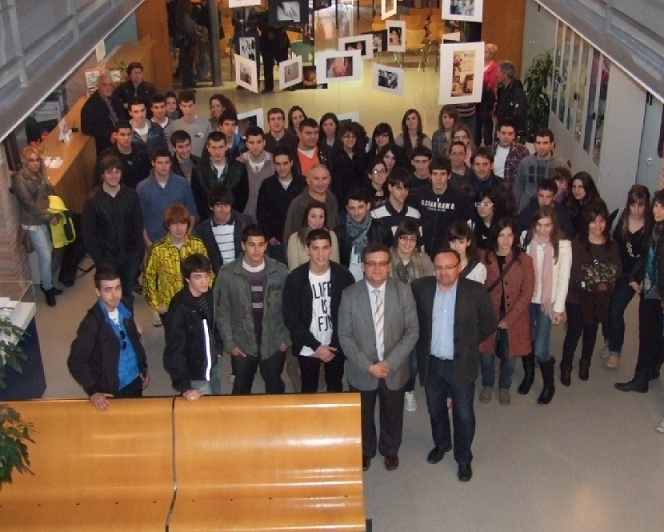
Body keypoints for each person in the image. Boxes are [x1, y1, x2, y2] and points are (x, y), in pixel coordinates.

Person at [411, 246, 497, 482]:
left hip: (461, 363)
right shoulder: (420, 289)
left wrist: (468, 344)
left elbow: (489, 324)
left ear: (459, 267)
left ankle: (463, 458)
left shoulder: (476, 291)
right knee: (435, 409)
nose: (444, 272)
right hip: (432, 364)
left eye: (449, 267)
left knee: (464, 414)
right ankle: (441, 445)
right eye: (439, 267)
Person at [338, 242, 419, 472]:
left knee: (392, 413)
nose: (377, 269)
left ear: (389, 266)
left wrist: (388, 363)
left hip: (394, 367)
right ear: (363, 266)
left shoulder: (403, 291)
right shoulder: (349, 295)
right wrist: (368, 366)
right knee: (362, 415)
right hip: (361, 369)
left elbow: (412, 331)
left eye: (382, 263)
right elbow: (344, 336)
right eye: (371, 264)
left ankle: (390, 450)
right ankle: (365, 450)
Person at [214, 224, 290, 395]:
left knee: (275, 386)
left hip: (274, 342)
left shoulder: (280, 272)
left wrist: (285, 340)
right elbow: (222, 312)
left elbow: (290, 309)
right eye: (251, 244)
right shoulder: (227, 274)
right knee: (241, 388)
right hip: (242, 343)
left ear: (266, 245)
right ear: (243, 245)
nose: (257, 250)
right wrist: (230, 344)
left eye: (261, 244)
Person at [283, 228, 356, 393]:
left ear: (331, 248)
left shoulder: (344, 276)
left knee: (335, 386)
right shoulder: (295, 279)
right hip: (308, 346)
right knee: (308, 389)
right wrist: (316, 346)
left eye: (325, 247)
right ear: (307, 250)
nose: (320, 254)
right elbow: (291, 318)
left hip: (336, 345)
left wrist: (335, 345)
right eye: (315, 248)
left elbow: (350, 314)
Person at [68, 266, 149, 411]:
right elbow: (75, 361)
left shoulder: (125, 305)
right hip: (112, 388)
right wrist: (93, 391)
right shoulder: (91, 323)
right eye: (108, 290)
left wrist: (143, 368)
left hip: (135, 379)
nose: (115, 295)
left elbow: (133, 340)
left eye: (118, 288)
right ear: (97, 292)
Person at [561, 201, 621, 385]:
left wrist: (595, 276)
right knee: (573, 331)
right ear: (586, 222)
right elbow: (578, 273)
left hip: (600, 298)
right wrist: (601, 276)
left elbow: (616, 270)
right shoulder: (576, 243)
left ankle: (585, 361)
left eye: (601, 221)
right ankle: (566, 364)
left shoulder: (611, 244)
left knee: (591, 331)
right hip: (576, 297)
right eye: (593, 221)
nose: (597, 226)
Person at [478, 218, 535, 406]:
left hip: (515, 317)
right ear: (495, 237)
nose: (505, 240)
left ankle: (504, 386)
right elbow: (478, 288)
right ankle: (487, 384)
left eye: (509, 235)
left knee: (509, 356)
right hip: (489, 314)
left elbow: (527, 293)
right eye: (501, 235)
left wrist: (509, 319)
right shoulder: (484, 257)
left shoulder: (524, 261)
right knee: (486, 354)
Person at [521, 205, 572, 404]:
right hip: (527, 299)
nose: (543, 230)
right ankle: (529, 375)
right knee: (527, 342)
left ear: (553, 225)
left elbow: (563, 279)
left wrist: (559, 308)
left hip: (546, 302)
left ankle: (549, 385)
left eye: (547, 225)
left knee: (541, 348)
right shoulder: (526, 238)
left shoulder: (563, 245)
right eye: (539, 225)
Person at [615, 189, 664, 395]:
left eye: (662, 207)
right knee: (649, 334)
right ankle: (649, 371)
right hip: (649, 290)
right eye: (656, 205)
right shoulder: (655, 228)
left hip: (659, 294)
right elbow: (645, 257)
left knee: (651, 335)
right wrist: (635, 277)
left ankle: (641, 379)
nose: (657, 210)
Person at [82, 154, 144, 309]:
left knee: (127, 294)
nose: (113, 175)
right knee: (109, 296)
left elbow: (138, 225)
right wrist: (99, 258)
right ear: (102, 174)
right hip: (106, 258)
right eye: (109, 172)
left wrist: (138, 252)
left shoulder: (130, 195)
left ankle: (128, 328)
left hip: (130, 255)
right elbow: (88, 234)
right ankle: (111, 329)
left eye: (117, 171)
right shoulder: (92, 200)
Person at [601, 185, 651, 369]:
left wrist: (634, 278)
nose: (636, 210)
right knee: (605, 309)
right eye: (633, 205)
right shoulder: (618, 216)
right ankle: (607, 339)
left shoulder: (651, 226)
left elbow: (647, 257)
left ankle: (615, 350)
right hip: (611, 271)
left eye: (641, 205)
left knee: (615, 311)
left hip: (630, 276)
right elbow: (603, 237)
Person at [389, 219, 434, 413]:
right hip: (390, 316)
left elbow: (431, 287)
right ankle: (393, 391)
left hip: (415, 316)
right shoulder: (387, 257)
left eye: (412, 239)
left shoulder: (423, 259)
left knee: (414, 361)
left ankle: (409, 390)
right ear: (397, 238)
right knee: (393, 356)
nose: (407, 243)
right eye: (404, 238)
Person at [163, 253, 220, 400]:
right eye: (198, 277)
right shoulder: (179, 307)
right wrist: (184, 387)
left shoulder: (208, 295)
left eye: (206, 275)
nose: (204, 281)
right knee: (205, 417)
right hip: (196, 374)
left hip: (213, 365)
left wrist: (218, 348)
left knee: (216, 404)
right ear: (187, 278)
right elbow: (174, 350)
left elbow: (214, 325)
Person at [144, 205, 209, 327]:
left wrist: (205, 296)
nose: (179, 228)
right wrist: (156, 305)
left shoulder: (197, 245)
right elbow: (149, 278)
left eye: (183, 223)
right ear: (168, 226)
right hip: (169, 306)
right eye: (174, 224)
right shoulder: (158, 249)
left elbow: (208, 272)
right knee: (175, 342)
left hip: (195, 303)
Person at [12, 146, 61, 306]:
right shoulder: (19, 179)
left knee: (47, 253)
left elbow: (47, 191)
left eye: (37, 160)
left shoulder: (38, 175)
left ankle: (48, 285)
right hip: (33, 223)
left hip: (42, 219)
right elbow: (29, 204)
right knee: (45, 256)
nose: (35, 163)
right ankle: (47, 287)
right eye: (31, 160)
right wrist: (49, 217)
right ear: (24, 161)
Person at [409, 155, 472, 258]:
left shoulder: (460, 199)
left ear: (449, 175)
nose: (438, 178)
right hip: (421, 253)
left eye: (442, 174)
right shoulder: (418, 196)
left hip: (449, 253)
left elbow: (465, 229)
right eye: (435, 174)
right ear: (429, 175)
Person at [136, 147, 198, 248]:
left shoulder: (182, 184)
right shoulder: (142, 188)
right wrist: (148, 243)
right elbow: (140, 220)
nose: (163, 166)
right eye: (160, 163)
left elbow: (191, 212)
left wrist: (187, 237)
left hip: (180, 241)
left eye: (166, 162)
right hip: (154, 242)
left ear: (171, 163)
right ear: (153, 163)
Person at [256, 147, 306, 264]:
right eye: (278, 164)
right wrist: (268, 235)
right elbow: (261, 212)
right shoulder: (267, 185)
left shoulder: (302, 183)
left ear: (291, 163)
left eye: (285, 163)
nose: (282, 168)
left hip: (299, 239)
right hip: (276, 241)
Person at [193, 183, 254, 274]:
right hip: (217, 280)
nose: (223, 210)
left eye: (226, 205)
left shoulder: (246, 222)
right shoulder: (201, 231)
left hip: (244, 276)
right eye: (218, 206)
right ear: (211, 207)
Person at [191, 131, 249, 219]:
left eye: (220, 147)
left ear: (226, 147)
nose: (217, 151)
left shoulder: (240, 168)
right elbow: (198, 200)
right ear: (208, 148)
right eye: (213, 147)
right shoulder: (198, 171)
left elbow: (243, 197)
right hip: (208, 221)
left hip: (234, 219)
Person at [336, 189, 391, 280]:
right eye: (352, 208)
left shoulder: (382, 229)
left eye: (360, 207)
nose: (356, 212)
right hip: (348, 283)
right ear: (347, 209)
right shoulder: (340, 233)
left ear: (368, 206)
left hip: (375, 280)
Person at [282, 164, 339, 247]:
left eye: (324, 178)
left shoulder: (332, 199)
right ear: (308, 181)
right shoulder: (297, 204)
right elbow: (289, 237)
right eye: (316, 179)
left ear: (329, 180)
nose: (321, 183)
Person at [514, 128, 569, 210]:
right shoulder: (525, 163)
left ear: (552, 144)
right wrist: (515, 208)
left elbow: (566, 190)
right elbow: (518, 186)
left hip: (551, 209)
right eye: (538, 143)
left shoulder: (561, 165)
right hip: (527, 208)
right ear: (534, 144)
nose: (541, 147)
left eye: (545, 143)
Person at [95, 120, 151, 189]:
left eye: (129, 134)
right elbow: (98, 181)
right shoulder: (106, 156)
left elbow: (149, 175)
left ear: (132, 135)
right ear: (115, 135)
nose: (126, 138)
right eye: (122, 134)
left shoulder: (141, 152)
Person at [287, 201, 340, 271]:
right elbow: (293, 270)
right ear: (306, 217)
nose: (317, 221)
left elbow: (336, 266)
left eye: (321, 217)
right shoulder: (295, 238)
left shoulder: (332, 235)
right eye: (313, 216)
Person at [81, 73, 125, 155]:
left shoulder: (114, 98)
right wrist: (108, 135)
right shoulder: (90, 106)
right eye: (105, 85)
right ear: (98, 86)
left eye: (110, 85)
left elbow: (122, 116)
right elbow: (86, 129)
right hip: (107, 143)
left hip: (122, 135)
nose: (108, 88)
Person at [371, 167, 421, 237]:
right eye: (399, 188)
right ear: (390, 187)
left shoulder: (415, 214)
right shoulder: (375, 215)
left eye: (406, 189)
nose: (403, 192)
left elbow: (419, 245)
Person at [238, 126, 274, 220]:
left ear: (264, 142)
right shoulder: (238, 164)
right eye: (251, 142)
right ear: (246, 144)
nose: (255, 146)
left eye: (259, 142)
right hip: (244, 219)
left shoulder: (274, 163)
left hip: (269, 219)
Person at [329, 121, 367, 210]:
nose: (350, 139)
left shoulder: (361, 155)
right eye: (347, 136)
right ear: (341, 138)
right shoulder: (334, 155)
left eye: (353, 136)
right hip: (342, 202)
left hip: (360, 200)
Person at [166, 89, 212, 158]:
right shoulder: (174, 126)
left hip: (201, 164)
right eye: (184, 106)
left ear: (194, 105)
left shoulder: (205, 124)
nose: (188, 110)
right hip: (180, 166)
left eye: (190, 106)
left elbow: (210, 147)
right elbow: (171, 149)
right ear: (180, 106)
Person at [487, 118, 529, 184]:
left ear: (514, 135)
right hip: (493, 187)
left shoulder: (521, 151)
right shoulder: (490, 149)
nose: (506, 136)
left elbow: (526, 174)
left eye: (510, 134)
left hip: (512, 189)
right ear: (498, 134)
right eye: (503, 133)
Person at [495, 60, 528, 139]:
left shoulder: (517, 91)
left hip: (512, 130)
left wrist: (507, 125)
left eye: (498, 72)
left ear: (505, 74)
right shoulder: (502, 88)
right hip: (501, 125)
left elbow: (517, 113)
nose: (496, 75)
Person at [564, 171, 602, 236]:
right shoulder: (572, 202)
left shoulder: (596, 206)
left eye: (580, 187)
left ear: (588, 187)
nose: (576, 190)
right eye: (574, 186)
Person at [476, 43, 499, 147]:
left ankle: (488, 145)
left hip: (487, 98)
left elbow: (491, 84)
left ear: (491, 55)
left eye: (486, 52)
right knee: (477, 122)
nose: (483, 54)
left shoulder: (494, 67)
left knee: (487, 123)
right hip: (477, 97)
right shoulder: (478, 64)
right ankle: (476, 144)